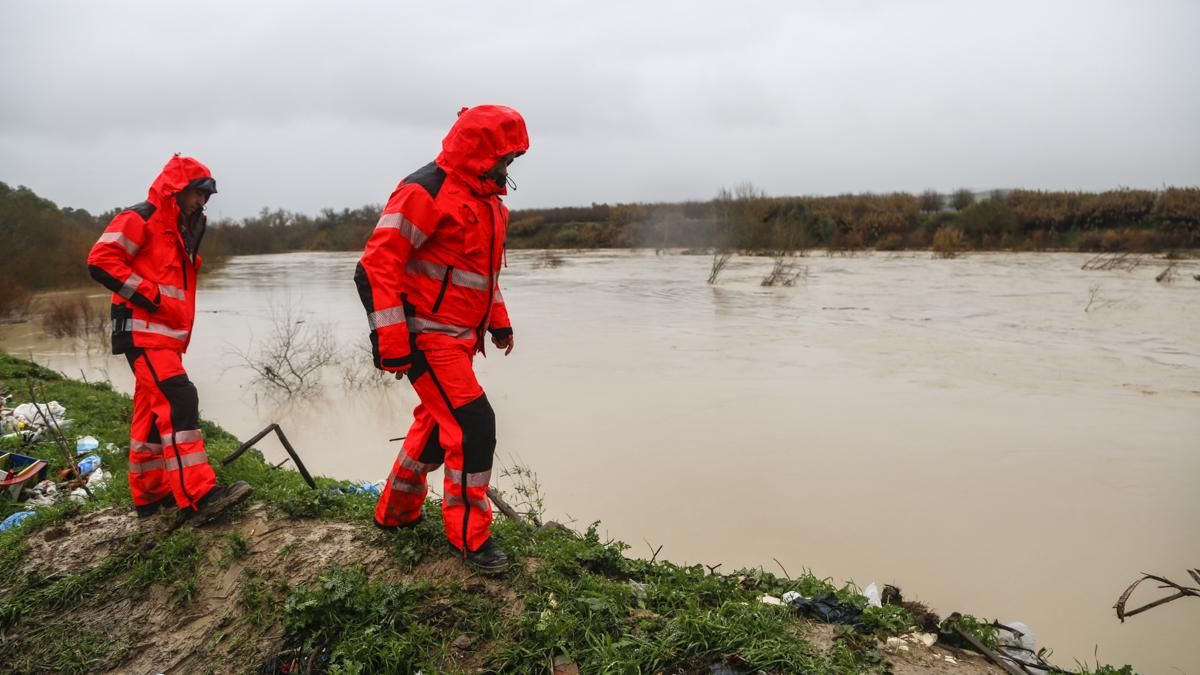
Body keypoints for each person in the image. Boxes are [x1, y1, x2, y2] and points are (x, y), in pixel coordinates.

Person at [355, 105, 529, 574]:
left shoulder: (489, 202)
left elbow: (481, 274)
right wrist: (391, 341)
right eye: (504, 158)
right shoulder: (424, 191)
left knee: (436, 425)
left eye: (513, 160)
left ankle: (395, 513)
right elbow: (375, 267)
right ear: (480, 151)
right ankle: (471, 540)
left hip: (458, 340)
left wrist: (499, 320)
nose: (508, 168)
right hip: (425, 339)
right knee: (474, 426)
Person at [87, 154, 251, 524]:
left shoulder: (182, 229)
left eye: (206, 197)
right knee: (180, 397)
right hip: (143, 333)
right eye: (197, 194)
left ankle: (150, 496)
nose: (202, 202)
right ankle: (198, 496)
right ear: (177, 189)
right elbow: (100, 260)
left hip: (165, 338)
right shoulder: (140, 217)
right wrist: (151, 297)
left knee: (149, 416)